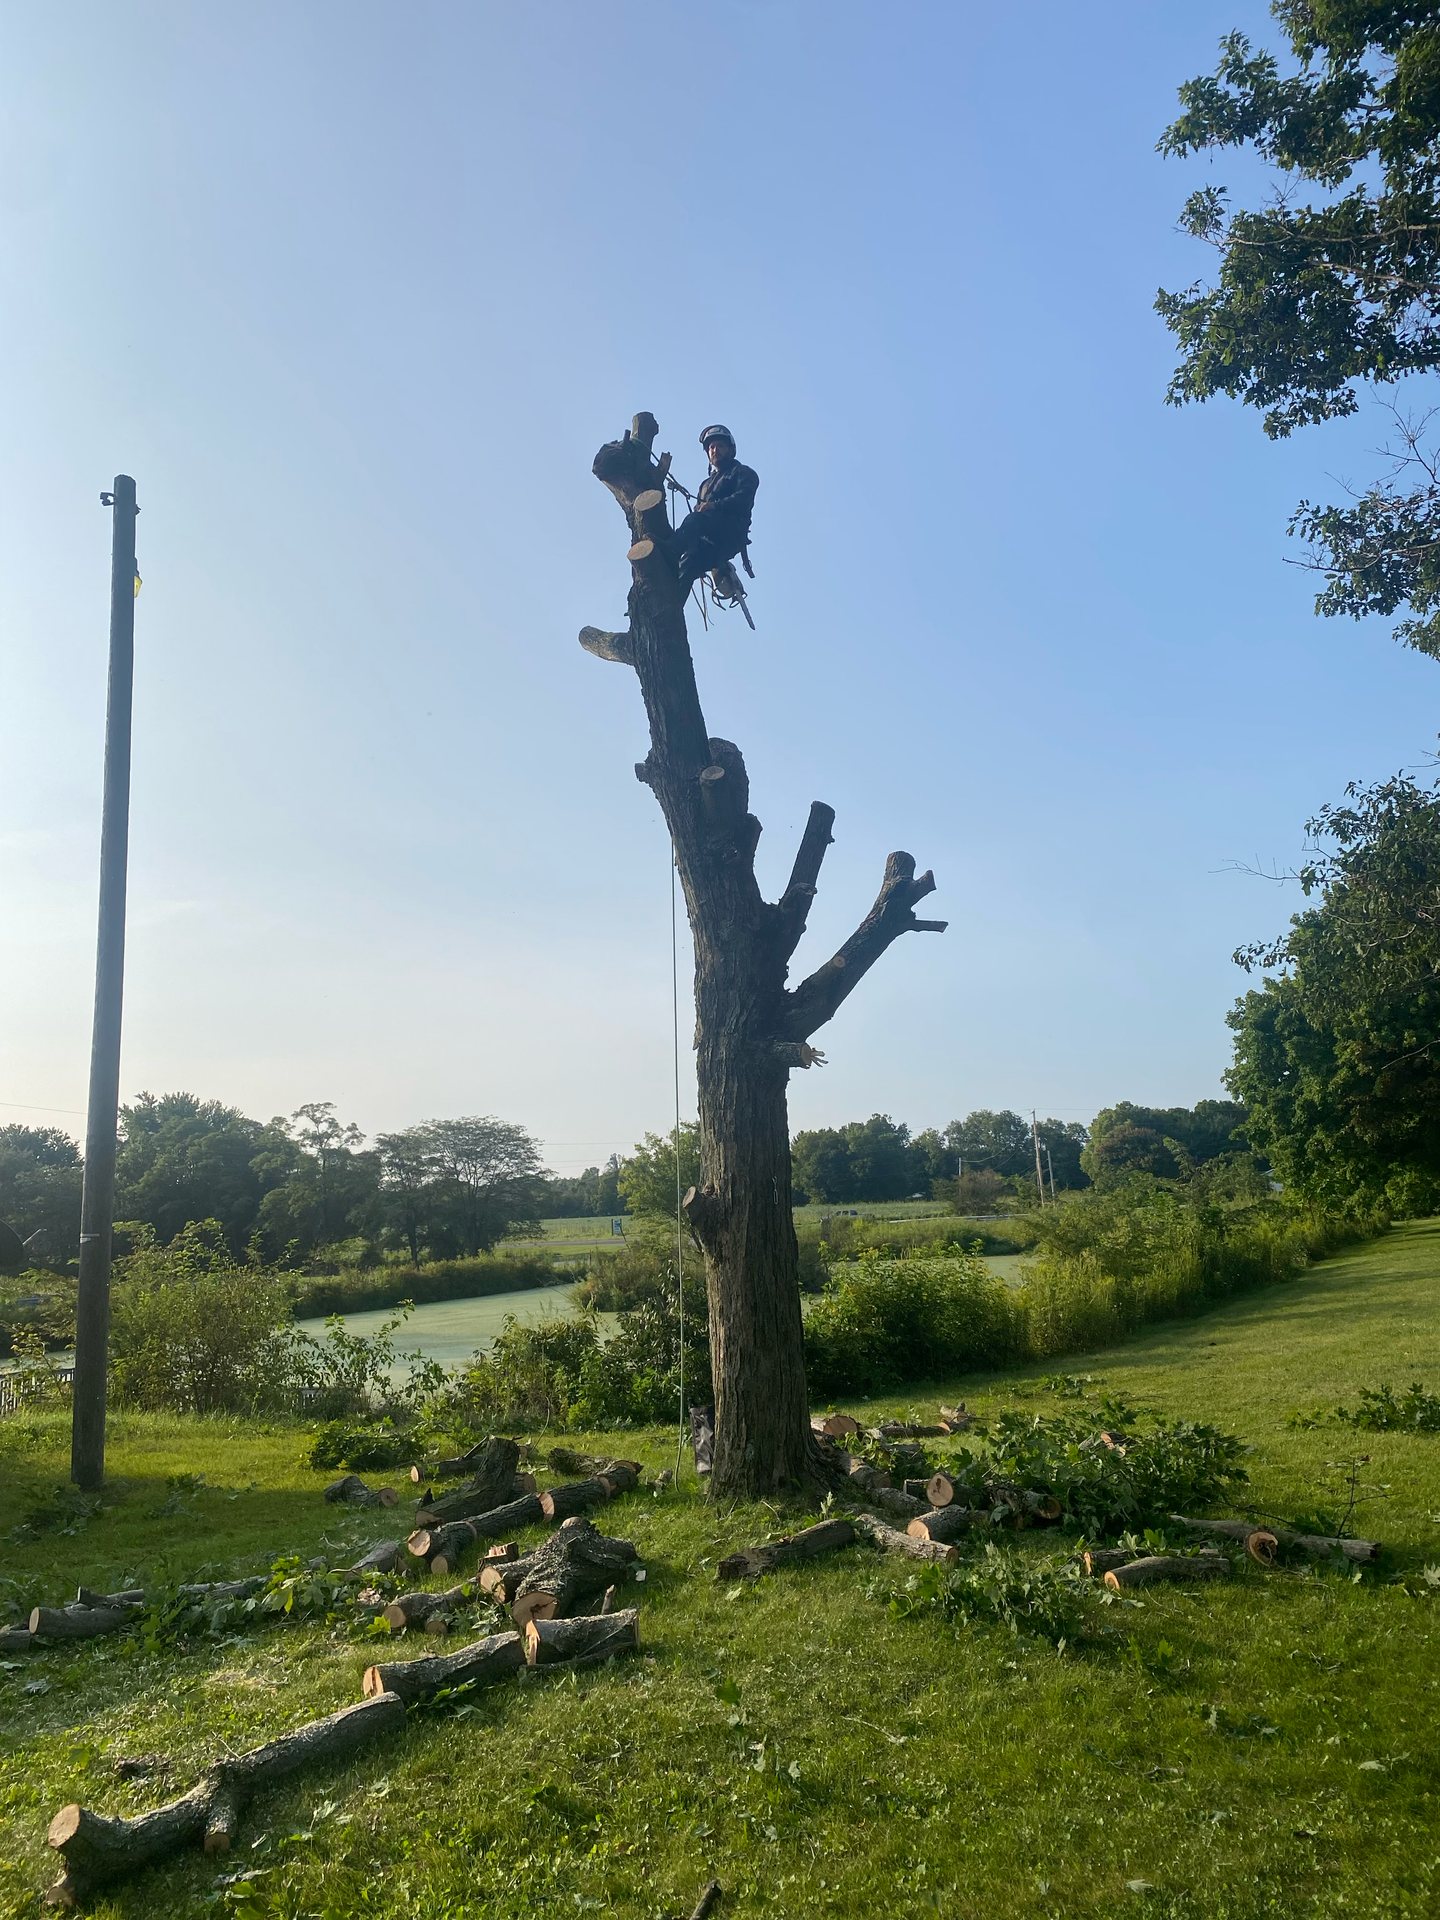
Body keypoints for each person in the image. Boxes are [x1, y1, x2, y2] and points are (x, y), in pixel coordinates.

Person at [672, 425, 759, 595]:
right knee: (688, 566)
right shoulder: (705, 485)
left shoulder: (743, 473)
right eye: (711, 447)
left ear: (730, 449)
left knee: (695, 520)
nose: (715, 450)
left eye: (720, 446)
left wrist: (715, 505)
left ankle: (670, 551)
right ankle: (671, 608)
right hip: (707, 541)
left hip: (729, 533)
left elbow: (743, 498)